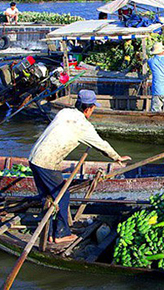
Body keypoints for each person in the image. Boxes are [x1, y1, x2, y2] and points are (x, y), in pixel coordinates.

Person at [27, 89, 131, 244]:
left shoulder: (65, 113)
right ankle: (60, 234)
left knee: (47, 198)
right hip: (46, 163)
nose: (92, 112)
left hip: (33, 158)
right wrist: (117, 157)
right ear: (88, 109)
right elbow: (101, 145)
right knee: (62, 196)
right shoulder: (83, 126)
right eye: (93, 109)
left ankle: (48, 232)